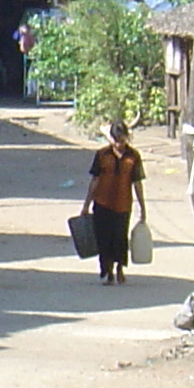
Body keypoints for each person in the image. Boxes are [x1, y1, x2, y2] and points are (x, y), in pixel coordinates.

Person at [81, 120, 146, 285]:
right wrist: (86, 205)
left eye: (122, 139)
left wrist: (143, 208)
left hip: (123, 204)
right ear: (111, 138)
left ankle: (119, 269)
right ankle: (108, 271)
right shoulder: (102, 155)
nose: (119, 144)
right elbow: (95, 180)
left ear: (127, 137)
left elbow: (137, 183)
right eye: (116, 140)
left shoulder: (133, 156)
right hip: (102, 203)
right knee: (103, 239)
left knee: (120, 238)